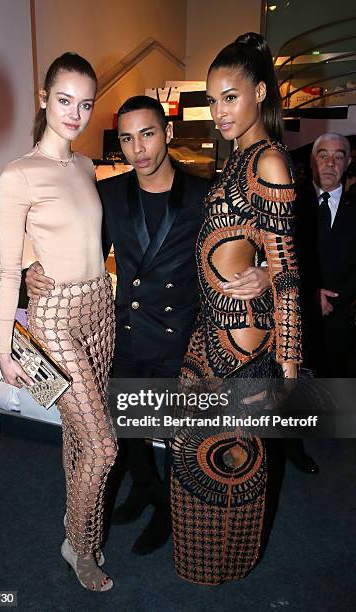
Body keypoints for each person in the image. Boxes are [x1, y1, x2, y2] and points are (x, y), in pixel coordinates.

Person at [25, 95, 271, 556]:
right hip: (125, 332)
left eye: (148, 133)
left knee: (178, 433)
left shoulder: (205, 194)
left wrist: (265, 271)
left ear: (168, 134)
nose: (138, 147)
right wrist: (36, 271)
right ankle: (145, 487)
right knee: (125, 425)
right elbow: (81, 254)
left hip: (180, 339)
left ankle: (168, 508)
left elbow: (255, 241)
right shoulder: (110, 193)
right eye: (126, 137)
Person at [171, 32, 302, 585]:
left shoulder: (268, 160)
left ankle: (230, 561)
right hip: (212, 331)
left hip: (243, 343)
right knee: (191, 448)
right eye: (213, 98)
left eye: (231, 96)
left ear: (260, 95)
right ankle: (209, 560)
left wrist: (290, 368)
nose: (220, 110)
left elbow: (288, 271)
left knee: (231, 458)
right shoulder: (236, 160)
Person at [0, 53, 116, 592]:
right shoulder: (18, 174)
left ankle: (86, 527)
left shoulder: (88, 166)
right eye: (65, 100)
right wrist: (3, 347)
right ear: (44, 99)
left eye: (86, 104)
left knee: (78, 437)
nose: (75, 113)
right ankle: (77, 541)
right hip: (54, 319)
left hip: (99, 311)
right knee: (106, 445)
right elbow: (6, 269)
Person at [296, 132, 356, 377]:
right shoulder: (289, 203)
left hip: (342, 334)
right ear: (312, 161)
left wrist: (338, 299)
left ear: (348, 163)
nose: (330, 163)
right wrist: (311, 294)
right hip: (295, 329)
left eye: (338, 157)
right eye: (323, 156)